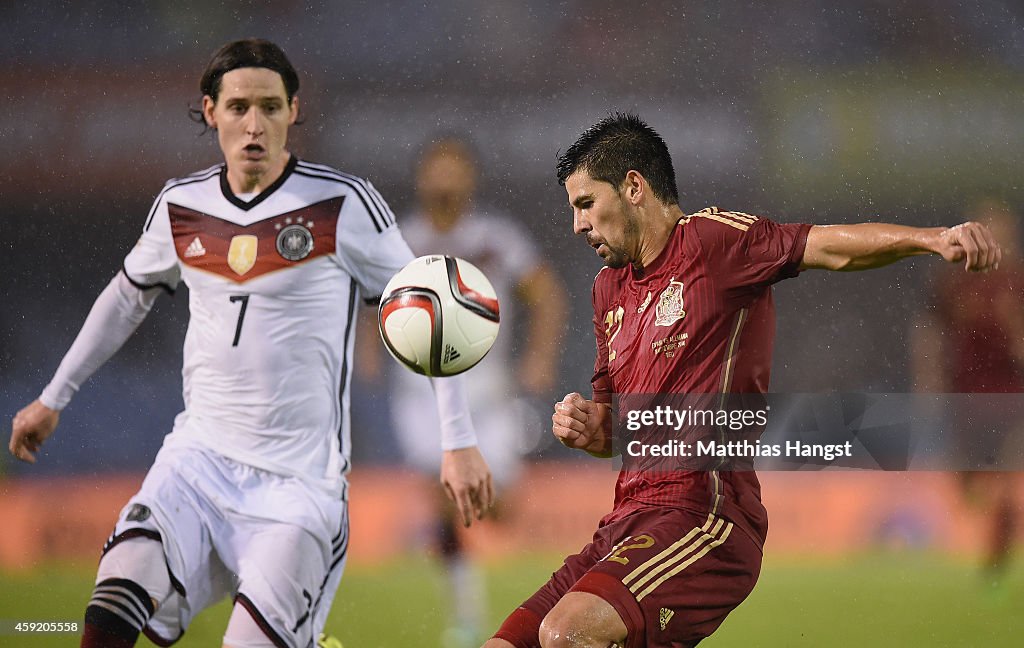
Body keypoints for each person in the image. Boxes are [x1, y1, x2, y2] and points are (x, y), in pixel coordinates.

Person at [8, 38, 493, 648]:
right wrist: (55, 397)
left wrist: (459, 442)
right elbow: (126, 297)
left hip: (298, 489)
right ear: (210, 111)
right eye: (238, 107)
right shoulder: (181, 207)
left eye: (270, 106)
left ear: (294, 109)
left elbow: (432, 313)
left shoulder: (342, 204)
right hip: (194, 465)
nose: (254, 124)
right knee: (107, 613)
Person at [483, 112, 1002, 648]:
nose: (577, 225)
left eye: (586, 204)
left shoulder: (712, 244)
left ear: (633, 186)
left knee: (566, 635)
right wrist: (590, 427)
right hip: (626, 523)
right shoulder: (607, 291)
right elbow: (617, 431)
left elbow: (828, 246)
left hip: (704, 515)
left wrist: (934, 239)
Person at [385, 135, 566, 646]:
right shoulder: (400, 239)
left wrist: (539, 356)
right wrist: (369, 350)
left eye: (454, 168)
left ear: (470, 178)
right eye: (436, 168)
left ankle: (444, 541)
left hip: (489, 392)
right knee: (445, 494)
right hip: (420, 392)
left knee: (499, 508)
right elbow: (370, 299)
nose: (444, 179)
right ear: (421, 178)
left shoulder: (496, 237)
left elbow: (547, 294)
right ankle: (465, 614)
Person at [912, 198, 1023, 589]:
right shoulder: (953, 282)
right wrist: (926, 379)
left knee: (1009, 478)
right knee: (968, 483)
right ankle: (990, 527)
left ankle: (997, 563)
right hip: (966, 397)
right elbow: (930, 332)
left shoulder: (1018, 282)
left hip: (1012, 396)